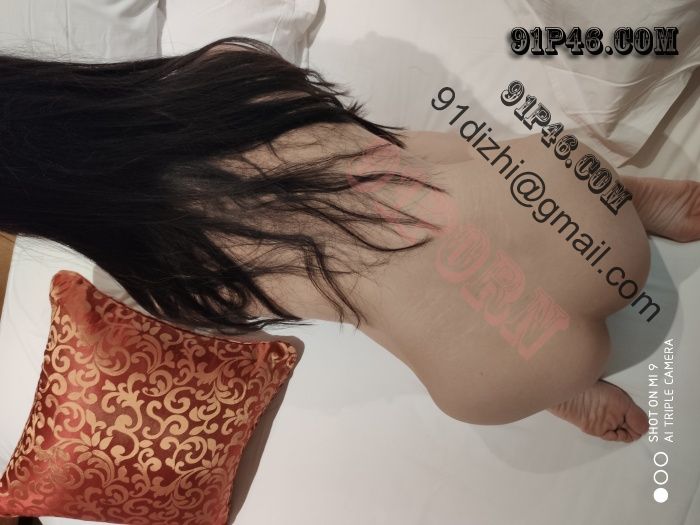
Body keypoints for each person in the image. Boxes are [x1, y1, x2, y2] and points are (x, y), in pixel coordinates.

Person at [1, 36, 697, 443]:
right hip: (575, 202)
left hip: (507, 369)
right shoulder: (226, 71)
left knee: (368, 303)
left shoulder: (155, 283)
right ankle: (631, 196)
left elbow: (358, 310)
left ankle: (563, 386)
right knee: (423, 161)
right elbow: (418, 148)